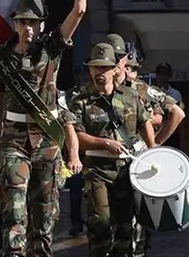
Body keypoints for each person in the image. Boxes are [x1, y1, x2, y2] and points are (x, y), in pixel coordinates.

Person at [0, 0, 87, 256]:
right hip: (13, 141)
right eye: (23, 21)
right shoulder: (0, 57)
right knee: (13, 214)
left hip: (47, 143)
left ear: (42, 24)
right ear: (15, 24)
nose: (28, 27)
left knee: (45, 218)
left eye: (34, 22)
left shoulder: (51, 49)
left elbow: (79, 10)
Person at [69, 42, 156, 256]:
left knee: (125, 226)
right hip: (97, 169)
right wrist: (106, 143)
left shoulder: (130, 96)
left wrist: (154, 149)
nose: (100, 72)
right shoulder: (80, 99)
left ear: (114, 69)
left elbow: (145, 124)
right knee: (101, 222)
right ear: (89, 69)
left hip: (127, 170)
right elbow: (77, 136)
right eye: (95, 67)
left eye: (104, 67)